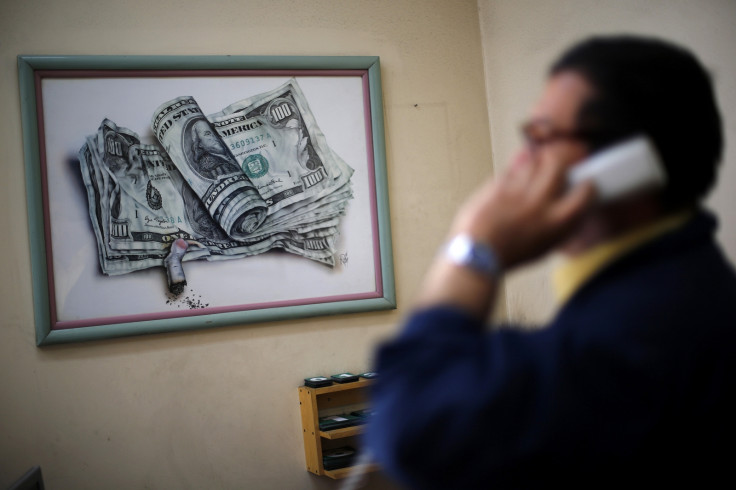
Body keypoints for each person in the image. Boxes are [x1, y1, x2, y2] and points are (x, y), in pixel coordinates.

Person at [366, 35, 736, 488]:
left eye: (542, 136)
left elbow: (410, 426)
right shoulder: (685, 280)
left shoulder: (639, 333)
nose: (520, 162)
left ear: (626, 163)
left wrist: (473, 247)